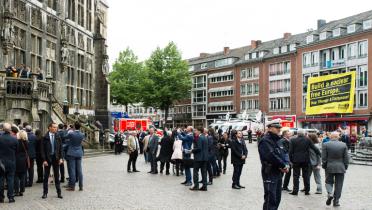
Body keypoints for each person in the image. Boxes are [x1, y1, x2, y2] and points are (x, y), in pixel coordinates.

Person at [258, 121, 289, 210]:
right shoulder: (265, 140)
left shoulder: (278, 139)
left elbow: (284, 153)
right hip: (270, 171)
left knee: (277, 197)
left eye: (279, 128)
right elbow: (270, 156)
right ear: (270, 128)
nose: (279, 129)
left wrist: (286, 164)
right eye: (277, 128)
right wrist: (283, 165)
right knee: (270, 198)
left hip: (278, 171)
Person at [289, 130, 320, 195]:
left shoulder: (292, 140)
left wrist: (291, 160)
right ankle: (307, 190)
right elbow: (314, 148)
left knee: (296, 176)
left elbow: (290, 151)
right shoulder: (307, 140)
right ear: (304, 134)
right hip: (305, 160)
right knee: (306, 175)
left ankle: (295, 191)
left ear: (297, 134)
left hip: (296, 160)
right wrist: (320, 154)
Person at [322, 132, 349, 207]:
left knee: (328, 182)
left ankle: (330, 194)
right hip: (340, 167)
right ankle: (336, 201)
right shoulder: (343, 145)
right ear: (338, 137)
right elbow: (346, 158)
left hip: (329, 166)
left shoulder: (326, 144)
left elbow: (324, 157)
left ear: (331, 137)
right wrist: (345, 166)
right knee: (339, 184)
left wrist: (324, 165)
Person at [41, 123, 63, 199]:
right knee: (46, 177)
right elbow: (42, 150)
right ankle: (45, 193)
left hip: (56, 158)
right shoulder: (44, 137)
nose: (55, 129)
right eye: (54, 127)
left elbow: (61, 149)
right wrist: (44, 160)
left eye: (56, 127)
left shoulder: (58, 136)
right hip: (47, 159)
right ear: (49, 128)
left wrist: (61, 158)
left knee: (57, 176)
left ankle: (59, 193)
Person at [0, 123, 18, 203]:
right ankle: (11, 197)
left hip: (1, 162)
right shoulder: (14, 139)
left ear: (2, 129)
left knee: (0, 179)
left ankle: (1, 197)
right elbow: (17, 150)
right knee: (10, 180)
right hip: (11, 161)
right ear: (10, 129)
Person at [65, 122, 85, 191]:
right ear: (80, 127)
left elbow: (64, 137)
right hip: (79, 153)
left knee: (72, 170)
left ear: (74, 127)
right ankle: (81, 186)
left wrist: (67, 129)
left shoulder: (71, 134)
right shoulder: (82, 134)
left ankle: (72, 186)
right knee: (79, 170)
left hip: (72, 153)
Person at [189, 127, 209, 191]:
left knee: (195, 172)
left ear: (199, 131)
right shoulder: (205, 137)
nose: (195, 132)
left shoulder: (200, 138)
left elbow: (199, 148)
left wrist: (192, 150)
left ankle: (196, 186)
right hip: (204, 158)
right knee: (204, 172)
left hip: (198, 158)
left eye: (196, 130)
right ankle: (204, 186)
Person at [14, 130, 29, 197]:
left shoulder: (16, 142)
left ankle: (16, 191)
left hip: (17, 159)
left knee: (16, 176)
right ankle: (22, 190)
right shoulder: (26, 142)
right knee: (23, 176)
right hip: (24, 160)